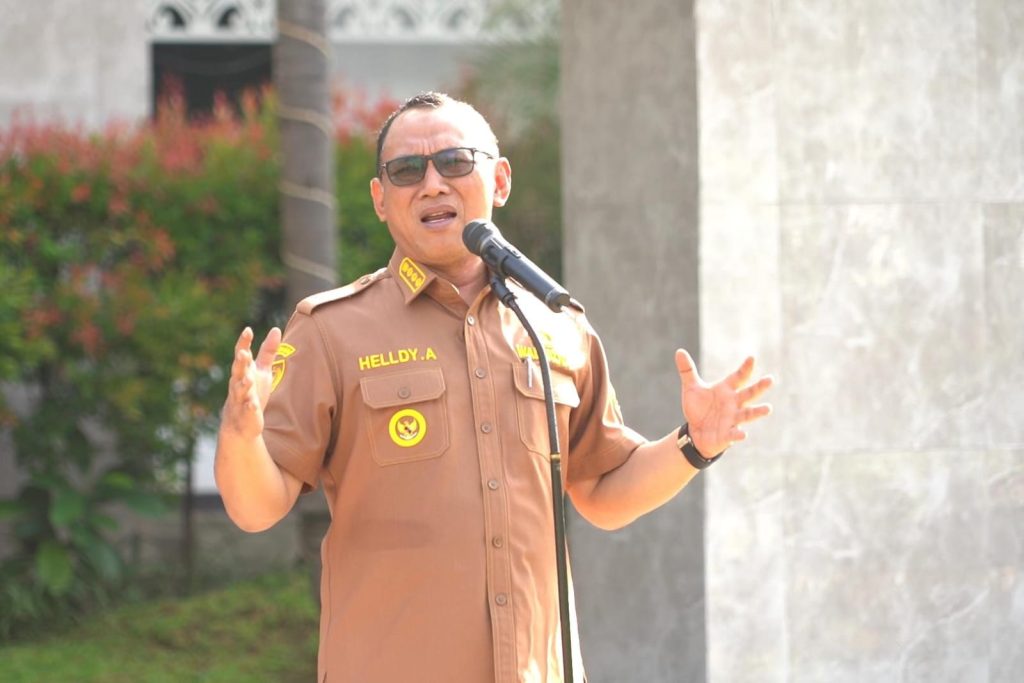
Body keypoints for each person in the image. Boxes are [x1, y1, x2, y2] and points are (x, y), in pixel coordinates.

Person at [215, 91, 772, 683]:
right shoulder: (331, 331)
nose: (432, 184)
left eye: (454, 162)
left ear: (500, 179)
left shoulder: (556, 325)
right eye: (407, 171)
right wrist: (241, 434)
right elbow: (257, 507)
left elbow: (602, 489)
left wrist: (694, 444)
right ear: (380, 199)